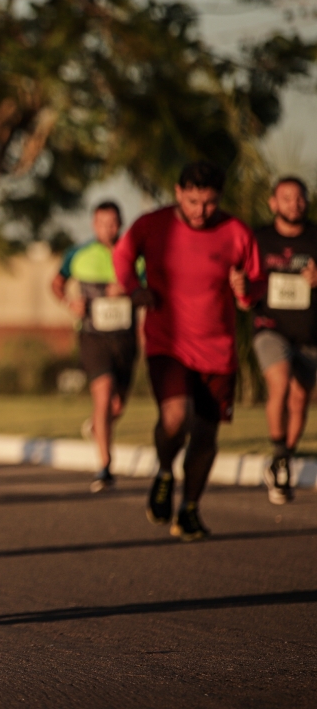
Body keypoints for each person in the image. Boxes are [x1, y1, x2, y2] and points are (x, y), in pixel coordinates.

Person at [113, 161, 260, 541]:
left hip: (218, 351)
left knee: (206, 436)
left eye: (209, 203)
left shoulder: (236, 232)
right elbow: (123, 256)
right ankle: (165, 472)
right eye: (192, 201)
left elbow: (253, 289)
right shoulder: (153, 225)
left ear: (220, 198)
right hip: (168, 343)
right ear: (178, 193)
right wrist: (133, 289)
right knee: (176, 417)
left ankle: (190, 508)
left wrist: (244, 289)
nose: (200, 211)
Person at [51, 202, 140, 493]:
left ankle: (96, 427)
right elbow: (56, 283)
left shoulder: (135, 256)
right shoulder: (78, 254)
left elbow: (152, 292)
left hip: (125, 338)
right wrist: (69, 303)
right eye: (102, 223)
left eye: (112, 223)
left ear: (120, 224)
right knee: (103, 395)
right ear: (93, 224)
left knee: (117, 404)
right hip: (93, 336)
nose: (107, 228)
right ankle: (105, 466)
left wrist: (129, 290)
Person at [251, 177, 317, 505]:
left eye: (299, 197)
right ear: (273, 203)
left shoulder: (315, 237)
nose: (294, 203)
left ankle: (284, 457)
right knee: (279, 383)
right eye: (286, 198)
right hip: (270, 328)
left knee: (300, 398)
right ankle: (279, 457)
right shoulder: (259, 239)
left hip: (309, 333)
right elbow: (244, 278)